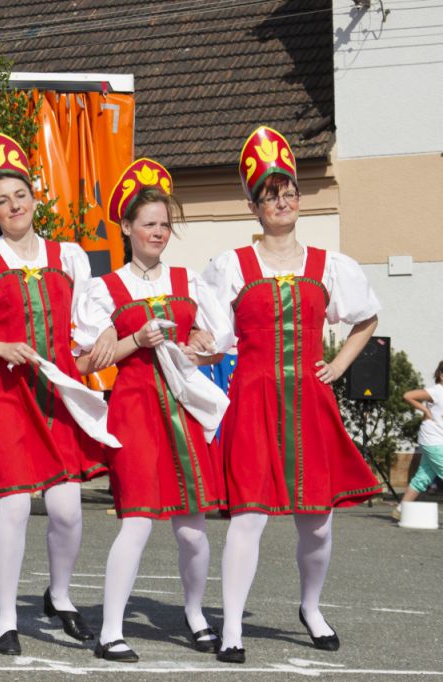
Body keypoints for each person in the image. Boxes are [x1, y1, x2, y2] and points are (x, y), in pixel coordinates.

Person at [202, 126, 382, 663]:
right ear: (253, 206)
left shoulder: (330, 266)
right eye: (270, 194)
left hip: (309, 402)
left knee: (318, 522)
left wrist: (338, 365)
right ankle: (233, 626)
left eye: (288, 192)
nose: (282, 201)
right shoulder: (231, 266)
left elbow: (367, 318)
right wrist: (194, 347)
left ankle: (311, 607)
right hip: (253, 400)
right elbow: (212, 335)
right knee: (248, 516)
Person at [0, 131, 110, 655]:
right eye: (2, 201)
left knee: (67, 511)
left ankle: (60, 596)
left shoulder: (69, 255)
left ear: (35, 199)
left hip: (55, 396)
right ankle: (5, 618)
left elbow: (88, 325)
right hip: (2, 396)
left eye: (20, 195)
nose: (14, 205)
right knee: (15, 508)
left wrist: (109, 336)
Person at [73, 159, 233, 662]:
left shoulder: (190, 281)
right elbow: (86, 361)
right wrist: (134, 340)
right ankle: (110, 631)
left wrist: (202, 346)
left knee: (192, 528)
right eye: (149, 223)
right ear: (127, 227)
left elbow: (215, 347)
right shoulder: (104, 289)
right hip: (135, 408)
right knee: (137, 521)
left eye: (165, 224)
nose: (159, 232)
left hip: (183, 409)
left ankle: (195, 614)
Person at [397, 362, 443, 517]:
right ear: (441, 376)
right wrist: (425, 410)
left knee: (422, 478)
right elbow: (408, 396)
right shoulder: (436, 391)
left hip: (435, 441)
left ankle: (401, 511)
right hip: (433, 441)